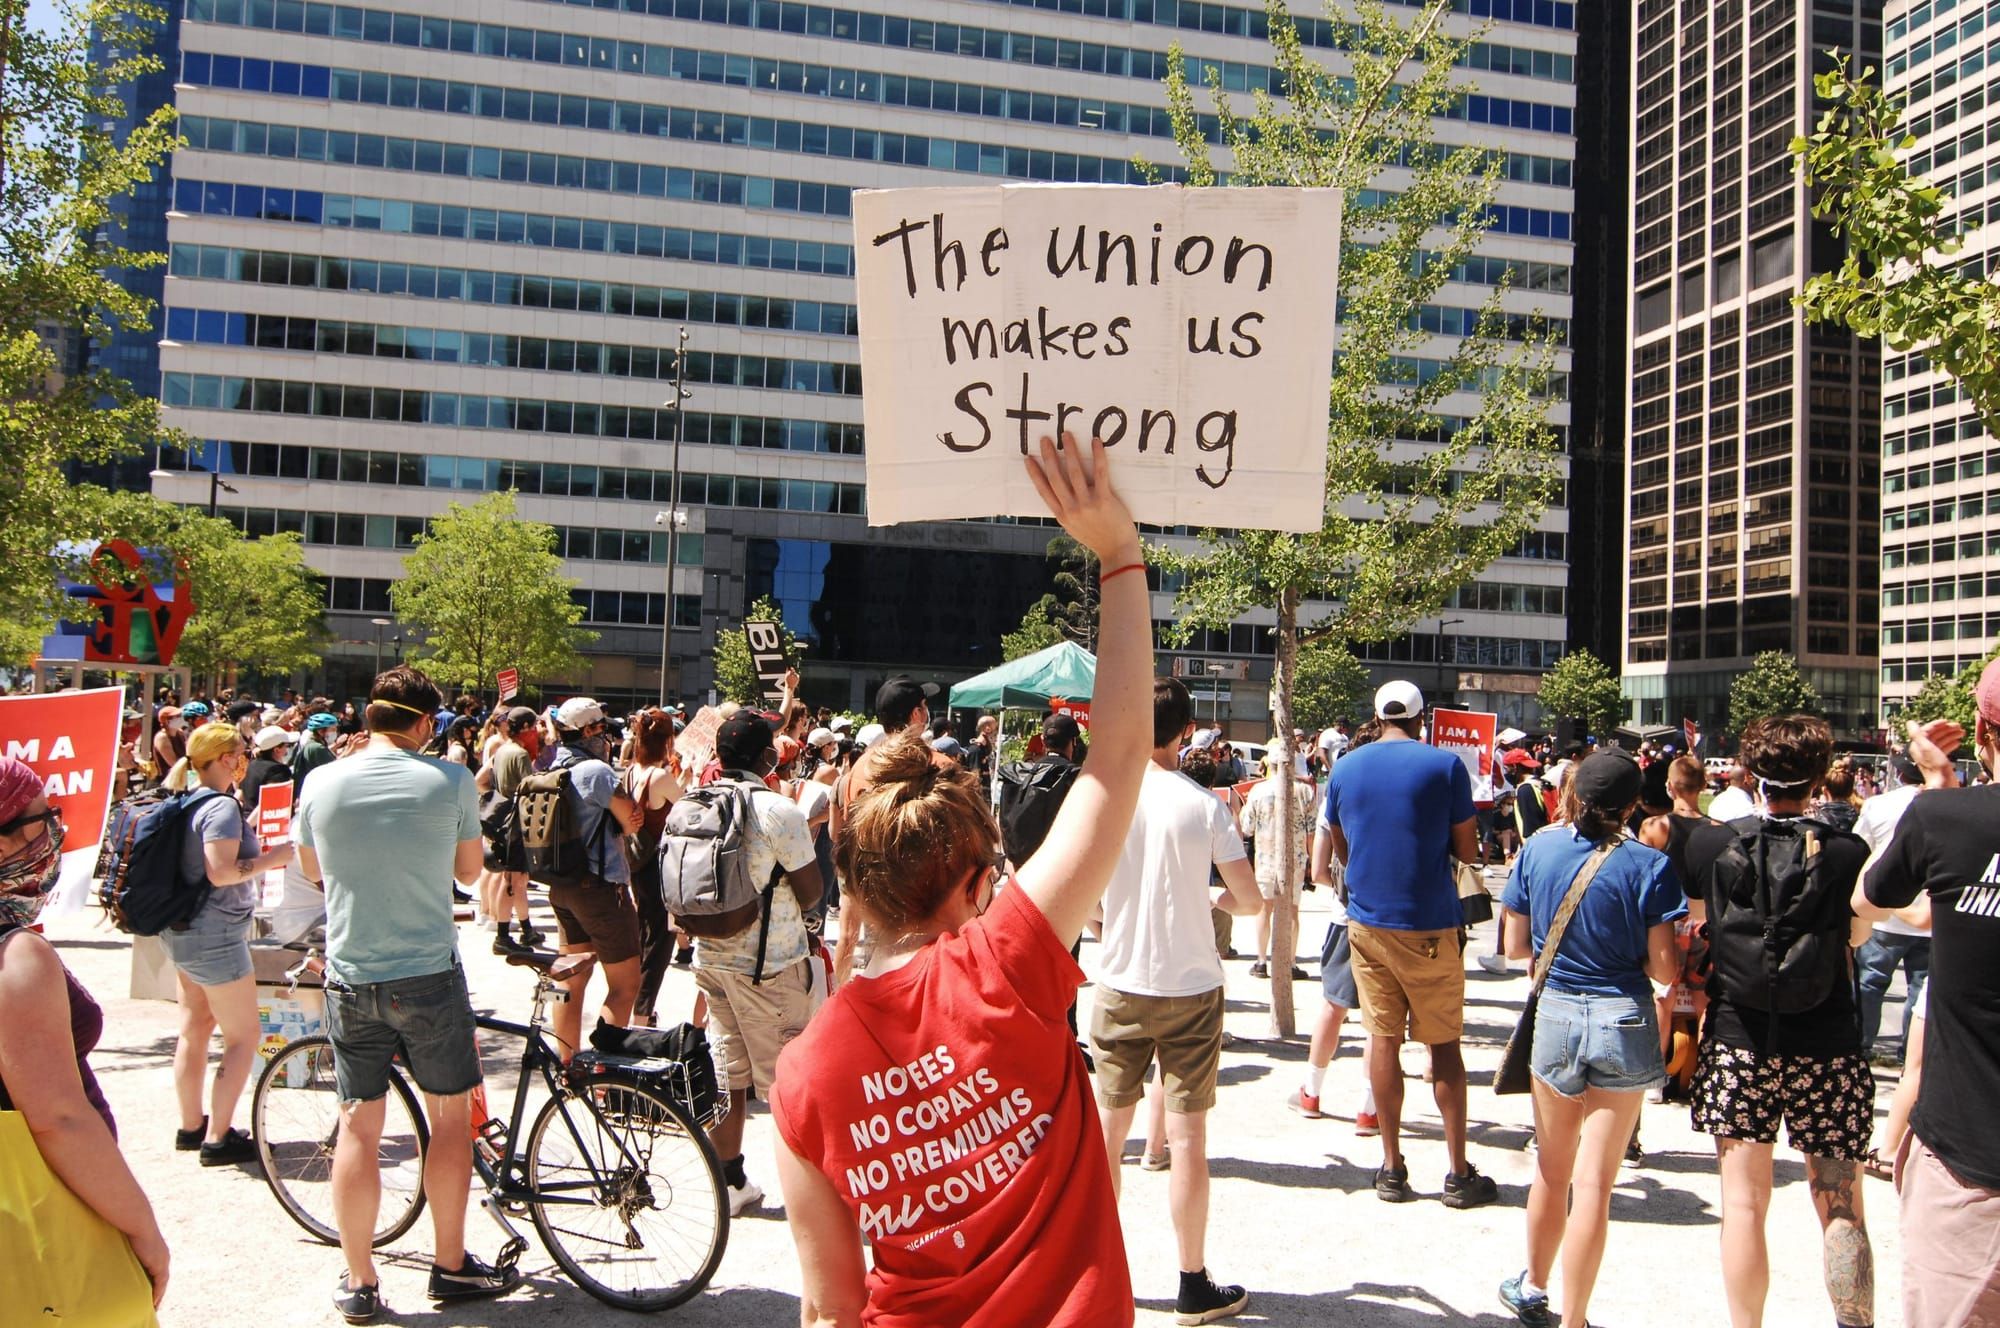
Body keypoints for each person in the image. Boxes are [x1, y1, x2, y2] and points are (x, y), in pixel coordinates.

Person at [770, 434, 1149, 1328]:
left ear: (854, 891)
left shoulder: (803, 1077)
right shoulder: (1009, 962)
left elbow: (829, 1311)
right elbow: (1119, 760)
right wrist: (1118, 553)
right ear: (980, 882)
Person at [295, 666, 521, 1321]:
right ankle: (449, 1264)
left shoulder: (319, 781)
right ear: (423, 723)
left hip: (351, 974)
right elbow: (470, 871)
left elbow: (312, 870)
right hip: (427, 973)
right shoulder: (448, 778)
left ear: (368, 717)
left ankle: (360, 1280)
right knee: (449, 1124)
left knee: (358, 1128)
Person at [1686, 715, 1875, 1328]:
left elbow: (1698, 926)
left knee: (1742, 1206)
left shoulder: (1714, 845)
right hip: (1828, 1041)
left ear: (1750, 773)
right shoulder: (1847, 852)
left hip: (1741, 1039)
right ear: (1819, 778)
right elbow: (1859, 935)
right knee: (1842, 1206)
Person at [1091, 674, 1261, 1323]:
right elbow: (1249, 900)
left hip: (1121, 980)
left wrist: (1116, 921)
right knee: (1188, 1140)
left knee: (1108, 1134)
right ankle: (1192, 1281)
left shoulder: (1110, 800)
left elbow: (1091, 908)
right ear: (1188, 733)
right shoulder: (1207, 806)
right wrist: (1211, 897)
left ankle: (1102, 1271)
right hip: (1191, 985)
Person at [1496, 749, 1684, 1328]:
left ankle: (1533, 1285)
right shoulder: (1649, 865)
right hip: (1622, 1017)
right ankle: (1574, 1319)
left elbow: (1515, 948)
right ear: (1633, 805)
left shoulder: (1539, 848)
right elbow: (1663, 969)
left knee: (1552, 1173)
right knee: (1595, 1186)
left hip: (1555, 1016)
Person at [1313, 680, 1496, 1208]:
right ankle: (1458, 1172)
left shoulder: (1346, 766)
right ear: (1422, 719)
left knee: (1382, 1039)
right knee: (1444, 1048)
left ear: (1376, 715)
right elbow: (1467, 847)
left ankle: (1391, 1167)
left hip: (1367, 923)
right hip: (1431, 922)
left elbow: (1341, 844)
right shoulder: (1445, 767)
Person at [0, 759, 172, 1314]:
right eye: (41, 817)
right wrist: (143, 1229)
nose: (55, 828)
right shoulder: (15, 956)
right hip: (40, 1223)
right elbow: (58, 1118)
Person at [1856, 688, 2000, 1327]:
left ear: (1981, 731)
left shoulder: (1944, 820)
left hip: (1969, 1160)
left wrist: (1938, 787)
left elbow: (1867, 903)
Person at [692, 710, 822, 1215]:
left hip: (711, 958)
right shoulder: (776, 810)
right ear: (768, 756)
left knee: (729, 1074)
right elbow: (812, 892)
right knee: (790, 1084)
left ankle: (729, 1182)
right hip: (769, 964)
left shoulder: (694, 800)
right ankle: (811, 1197)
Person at [159, 724, 293, 1166]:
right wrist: (274, 858)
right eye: (240, 752)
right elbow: (220, 872)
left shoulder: (186, 799)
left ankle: (189, 1125)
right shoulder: (219, 807)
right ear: (222, 759)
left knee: (194, 1028)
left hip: (182, 930)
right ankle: (218, 1139)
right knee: (243, 1037)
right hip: (215, 936)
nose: (245, 759)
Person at [539, 697, 644, 1060]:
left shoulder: (550, 767)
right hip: (601, 888)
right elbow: (632, 818)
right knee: (625, 984)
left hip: (562, 886)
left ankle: (567, 1063)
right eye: (602, 728)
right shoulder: (596, 773)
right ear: (588, 731)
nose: (607, 736)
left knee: (570, 980)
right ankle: (605, 1074)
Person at [1298, 719, 1385, 1133]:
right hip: (1386, 919)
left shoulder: (1336, 797)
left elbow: (1317, 871)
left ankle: (1311, 1092)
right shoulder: (1393, 797)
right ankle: (1369, 1107)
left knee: (1333, 1007)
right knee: (1377, 1020)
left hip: (1344, 916)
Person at [1852, 753, 1932, 1064]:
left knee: (1869, 984)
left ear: (1899, 773)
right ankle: (1909, 1055)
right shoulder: (1947, 803)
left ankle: (1861, 1047)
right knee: (1919, 992)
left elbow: (1861, 847)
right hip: (1928, 914)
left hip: (1884, 912)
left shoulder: (1880, 804)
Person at [622, 708, 682, 1025]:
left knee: (646, 935)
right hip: (658, 866)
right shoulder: (660, 777)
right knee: (660, 942)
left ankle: (637, 1006)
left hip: (637, 865)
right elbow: (687, 805)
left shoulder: (633, 772)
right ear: (667, 740)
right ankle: (642, 1013)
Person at [1240, 751, 1314, 981]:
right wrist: (1311, 859)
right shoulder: (1304, 791)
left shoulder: (1258, 790)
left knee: (1265, 909)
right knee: (1292, 910)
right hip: (1296, 857)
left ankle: (1261, 961)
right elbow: (1311, 830)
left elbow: (1247, 826)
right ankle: (1290, 962)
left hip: (1265, 855)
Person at [475, 706, 542, 954]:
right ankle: (503, 936)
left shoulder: (502, 750)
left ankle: (526, 930)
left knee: (515, 879)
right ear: (524, 728)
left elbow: (481, 780)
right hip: (517, 823)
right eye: (533, 726)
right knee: (513, 881)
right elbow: (531, 788)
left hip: (505, 821)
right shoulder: (520, 754)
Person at [239, 724, 297, 808]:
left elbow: (241, 794)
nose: (287, 749)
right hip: (266, 819)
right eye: (286, 746)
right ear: (277, 750)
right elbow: (269, 802)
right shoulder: (278, 771)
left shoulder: (252, 764)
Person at [292, 711, 339, 787]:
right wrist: (352, 748)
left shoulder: (314, 744)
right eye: (332, 729)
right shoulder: (317, 747)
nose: (335, 732)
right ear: (320, 731)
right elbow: (336, 767)